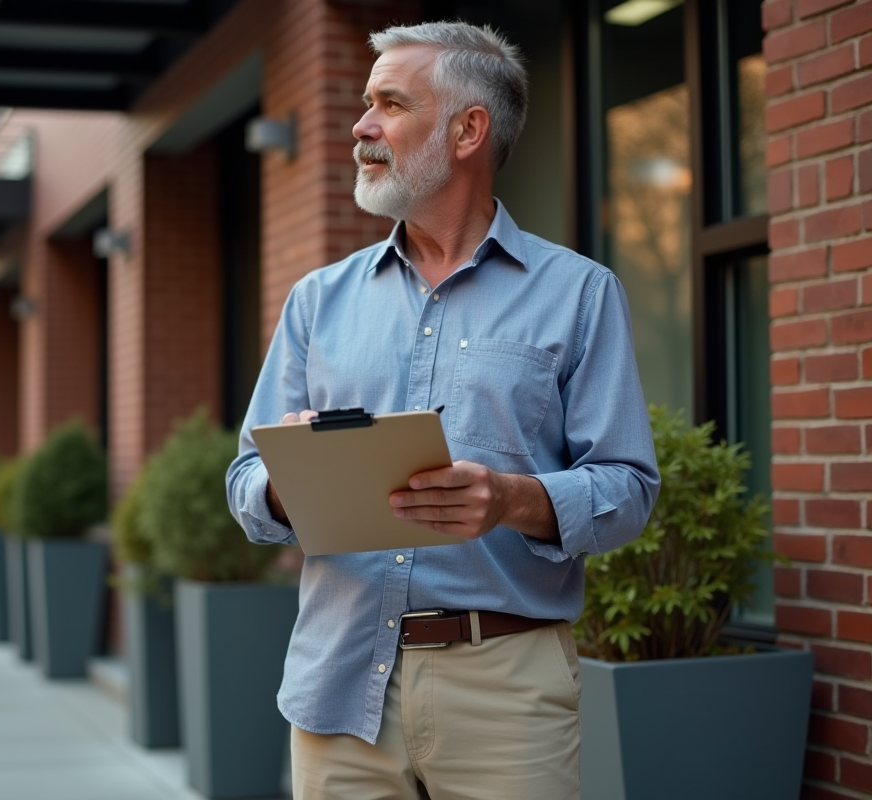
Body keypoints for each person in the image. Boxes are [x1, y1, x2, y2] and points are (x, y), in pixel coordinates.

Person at [226, 21, 660, 799]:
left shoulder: (580, 294)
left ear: (467, 130)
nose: (360, 127)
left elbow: (629, 490)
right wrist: (285, 484)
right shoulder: (316, 302)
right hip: (339, 683)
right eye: (366, 103)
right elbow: (245, 478)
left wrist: (512, 499)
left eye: (389, 104)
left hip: (507, 693)